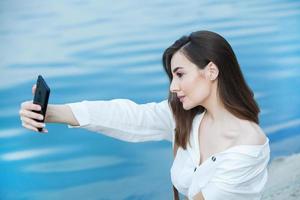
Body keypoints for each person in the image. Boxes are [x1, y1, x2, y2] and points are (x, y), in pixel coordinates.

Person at [19, 30, 270, 200]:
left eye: (180, 74)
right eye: (172, 76)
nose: (173, 86)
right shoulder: (188, 118)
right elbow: (126, 116)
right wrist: (52, 113)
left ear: (212, 70)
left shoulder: (247, 144)